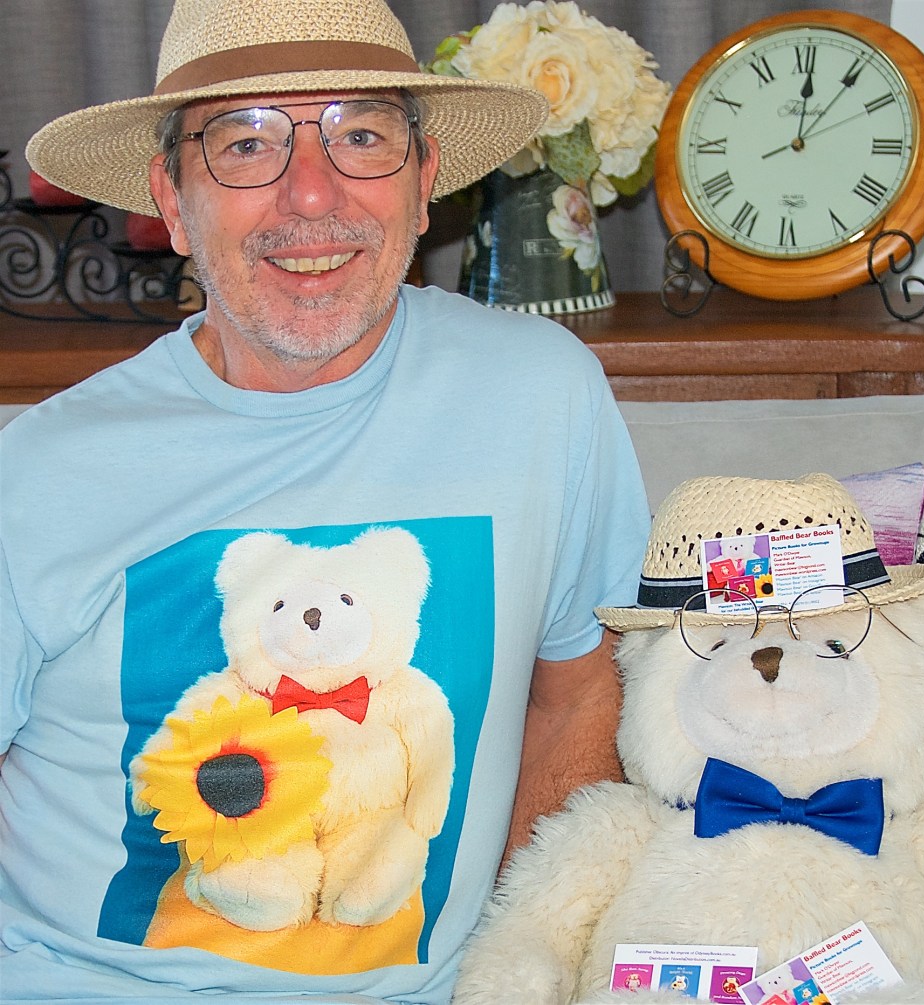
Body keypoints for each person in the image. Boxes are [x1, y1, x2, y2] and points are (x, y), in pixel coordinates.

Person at [0, 0, 651, 1002]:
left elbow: (577, 696)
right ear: (171, 202)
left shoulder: (539, 396)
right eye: (245, 143)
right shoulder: (41, 471)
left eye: (360, 135)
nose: (312, 194)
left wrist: (525, 957)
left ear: (424, 184)